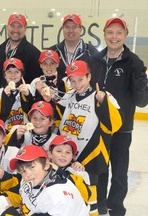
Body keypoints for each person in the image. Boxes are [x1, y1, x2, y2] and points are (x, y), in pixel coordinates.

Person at [90, 17, 148, 216]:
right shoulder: (95, 60)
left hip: (122, 129)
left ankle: (116, 208)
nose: (114, 37)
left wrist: (141, 81)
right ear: (105, 34)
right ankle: (101, 204)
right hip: (99, 127)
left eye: (119, 32)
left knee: (120, 172)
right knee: (100, 169)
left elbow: (142, 102)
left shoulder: (134, 62)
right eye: (110, 32)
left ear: (125, 35)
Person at [53, 60, 123, 215]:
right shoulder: (69, 96)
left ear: (89, 76)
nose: (77, 84)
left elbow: (114, 125)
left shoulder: (102, 96)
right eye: (73, 80)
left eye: (80, 79)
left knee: (91, 196)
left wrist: (103, 102)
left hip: (92, 156)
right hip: (69, 154)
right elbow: (58, 120)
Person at [0, 145, 89, 215]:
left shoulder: (59, 197)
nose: (28, 174)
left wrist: (11, 213)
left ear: (46, 165)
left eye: (32, 167)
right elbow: (22, 195)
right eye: (23, 171)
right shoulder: (33, 178)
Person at [49, 14, 98, 96]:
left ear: (81, 29)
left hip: (82, 103)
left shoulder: (91, 52)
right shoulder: (53, 51)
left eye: (74, 27)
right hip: (57, 101)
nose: (70, 30)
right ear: (63, 29)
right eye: (67, 27)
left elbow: (96, 79)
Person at [0, 13, 42, 88]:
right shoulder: (0, 51)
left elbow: (37, 84)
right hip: (2, 97)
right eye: (12, 26)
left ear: (25, 28)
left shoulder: (34, 53)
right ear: (7, 27)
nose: (16, 30)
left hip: (24, 98)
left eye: (20, 26)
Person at [0, 57, 34, 133]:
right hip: (6, 136)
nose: (13, 75)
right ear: (4, 75)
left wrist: (28, 96)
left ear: (21, 74)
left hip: (28, 134)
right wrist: (5, 98)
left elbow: (35, 116)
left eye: (16, 72)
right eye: (9, 72)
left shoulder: (30, 89)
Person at [49, 135, 91, 207]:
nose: (63, 155)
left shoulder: (78, 173)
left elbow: (86, 197)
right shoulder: (42, 167)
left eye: (68, 152)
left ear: (73, 156)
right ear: (50, 154)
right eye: (59, 151)